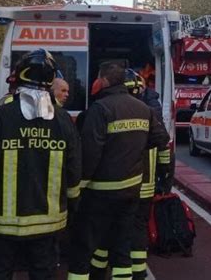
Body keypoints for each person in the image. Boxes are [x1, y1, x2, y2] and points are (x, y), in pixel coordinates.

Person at [0, 49, 82, 280]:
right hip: (49, 223)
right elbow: (74, 170)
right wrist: (73, 206)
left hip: (5, 223)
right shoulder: (63, 121)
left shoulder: (1, 115)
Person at [67, 62, 170, 280]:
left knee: (84, 246)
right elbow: (160, 140)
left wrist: (78, 189)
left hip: (100, 192)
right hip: (131, 191)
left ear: (103, 81)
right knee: (122, 249)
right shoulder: (144, 109)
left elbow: (90, 154)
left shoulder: (100, 109)